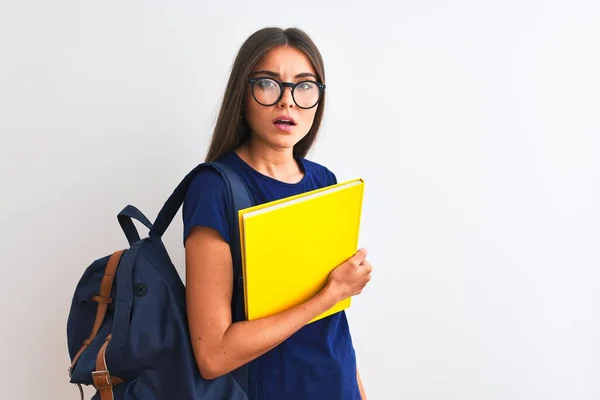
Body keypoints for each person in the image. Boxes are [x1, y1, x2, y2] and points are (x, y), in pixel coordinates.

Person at [182, 26, 373, 400]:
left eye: (304, 86)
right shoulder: (214, 188)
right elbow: (213, 355)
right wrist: (331, 294)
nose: (287, 102)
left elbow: (333, 326)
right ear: (243, 94)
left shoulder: (324, 182)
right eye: (268, 84)